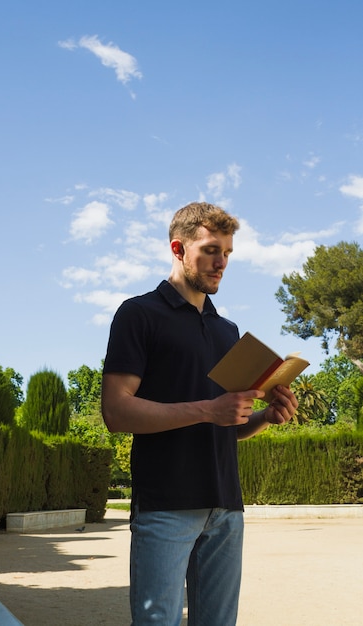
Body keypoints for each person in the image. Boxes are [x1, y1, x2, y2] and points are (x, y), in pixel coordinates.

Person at [101, 201, 298, 626]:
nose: (221, 262)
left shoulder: (227, 331)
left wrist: (264, 417)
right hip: (165, 505)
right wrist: (210, 409)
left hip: (226, 508)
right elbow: (116, 412)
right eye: (210, 249)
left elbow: (227, 424)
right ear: (178, 248)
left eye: (227, 252)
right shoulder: (138, 315)